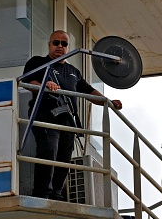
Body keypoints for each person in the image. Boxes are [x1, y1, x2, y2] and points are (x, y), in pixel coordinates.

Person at [21, 30, 122, 200]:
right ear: (49, 44)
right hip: (45, 115)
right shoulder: (38, 62)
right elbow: (28, 82)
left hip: (68, 121)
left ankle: (56, 194)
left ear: (68, 47)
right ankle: (42, 193)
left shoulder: (73, 71)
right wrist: (45, 84)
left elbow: (89, 90)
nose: (59, 46)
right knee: (49, 151)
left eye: (64, 43)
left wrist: (109, 102)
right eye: (56, 43)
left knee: (64, 158)